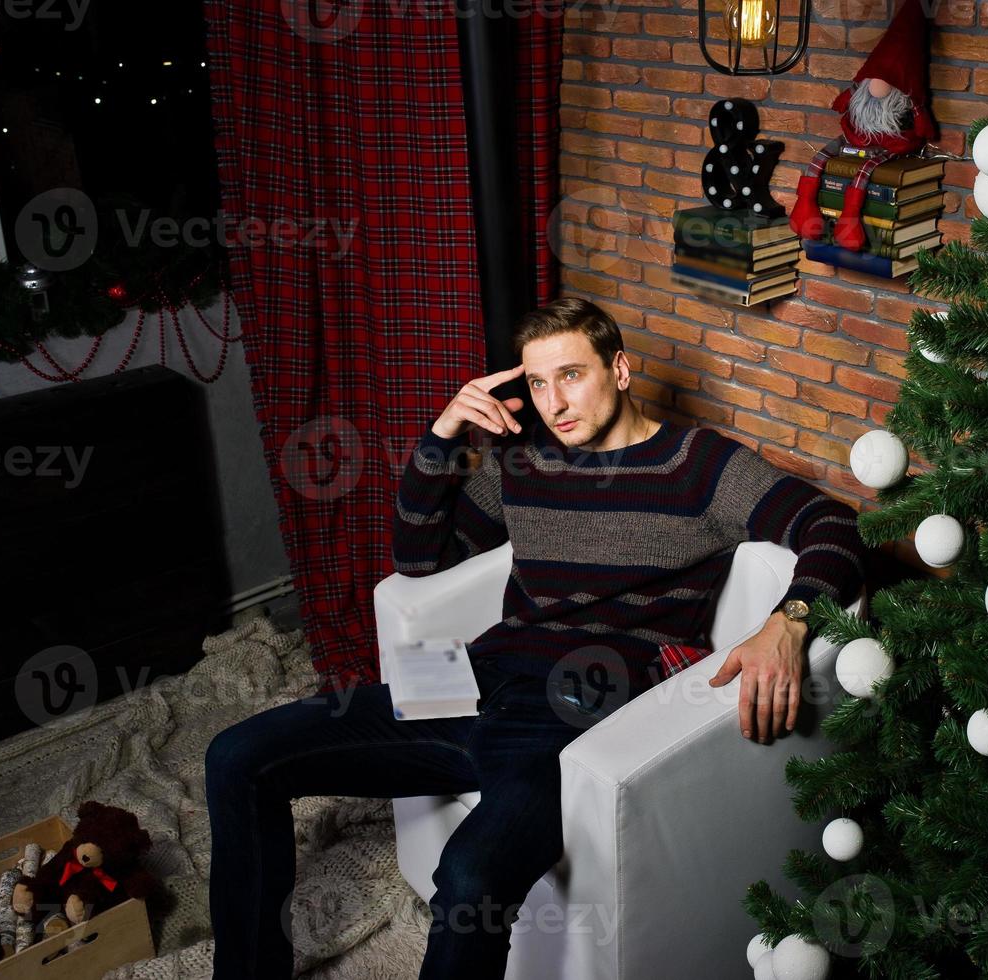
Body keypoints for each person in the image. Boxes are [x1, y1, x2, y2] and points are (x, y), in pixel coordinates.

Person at [204, 296, 866, 978]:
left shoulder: (700, 466)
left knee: (468, 876)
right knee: (236, 756)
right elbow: (419, 556)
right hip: (471, 674)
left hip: (576, 710)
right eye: (538, 383)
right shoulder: (523, 460)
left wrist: (787, 624)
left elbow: (833, 526)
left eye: (571, 375)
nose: (553, 402)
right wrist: (443, 432)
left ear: (620, 369)